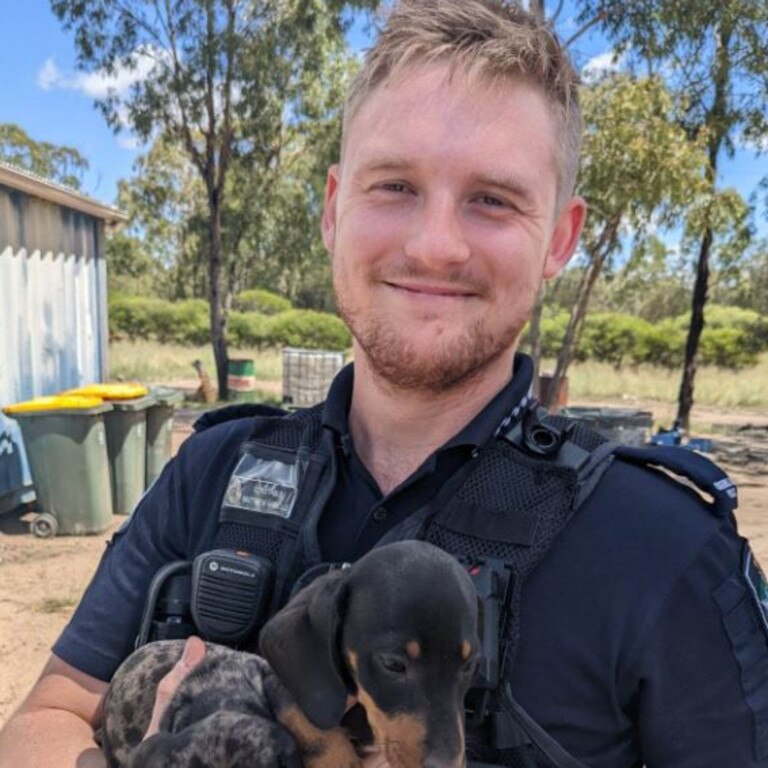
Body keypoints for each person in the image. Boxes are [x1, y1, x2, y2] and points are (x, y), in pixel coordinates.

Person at [2, 1, 767, 766]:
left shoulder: (667, 549)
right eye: (395, 186)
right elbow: (50, 716)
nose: (435, 245)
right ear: (335, 210)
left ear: (560, 239)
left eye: (492, 199)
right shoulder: (212, 474)